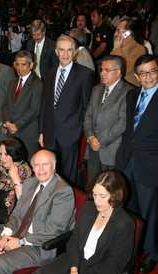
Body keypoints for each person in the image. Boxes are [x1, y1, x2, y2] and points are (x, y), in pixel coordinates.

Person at [0, 149, 75, 274]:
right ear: (32, 167)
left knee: (0, 265)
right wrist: (6, 234)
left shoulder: (63, 191)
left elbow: (55, 230)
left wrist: (20, 241)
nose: (40, 169)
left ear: (54, 166)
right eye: (36, 165)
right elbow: (17, 213)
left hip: (39, 245)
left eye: (45, 164)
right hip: (17, 233)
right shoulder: (30, 183)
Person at [35, 170, 134, 274]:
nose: (97, 201)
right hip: (73, 261)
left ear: (115, 195)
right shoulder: (88, 208)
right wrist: (74, 267)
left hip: (98, 269)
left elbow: (114, 264)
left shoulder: (124, 224)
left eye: (102, 196)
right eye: (95, 195)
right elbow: (74, 239)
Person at [116, 54, 158, 273]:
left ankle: (152, 253)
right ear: (136, 76)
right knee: (130, 207)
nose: (148, 77)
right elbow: (129, 130)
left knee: (151, 211)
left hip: (151, 164)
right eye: (143, 73)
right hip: (128, 160)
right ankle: (132, 247)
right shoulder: (132, 95)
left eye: (153, 71)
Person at [39, 34, 94, 184]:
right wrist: (42, 131)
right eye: (61, 50)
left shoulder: (85, 74)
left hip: (70, 134)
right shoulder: (49, 73)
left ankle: (68, 204)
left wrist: (78, 130)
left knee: (69, 175)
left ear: (75, 52)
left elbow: (87, 107)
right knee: (50, 172)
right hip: (50, 132)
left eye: (69, 50)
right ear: (56, 52)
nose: (65, 54)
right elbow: (45, 104)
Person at [84, 55, 132, 180]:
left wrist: (100, 141)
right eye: (101, 69)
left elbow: (123, 122)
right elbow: (88, 115)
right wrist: (90, 136)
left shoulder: (129, 92)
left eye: (107, 70)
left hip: (111, 150)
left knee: (111, 190)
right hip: (93, 147)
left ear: (119, 73)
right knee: (92, 186)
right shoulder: (97, 89)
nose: (102, 73)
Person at [2, 50, 43, 160]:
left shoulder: (37, 84)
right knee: (12, 163)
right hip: (11, 131)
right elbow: (5, 104)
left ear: (31, 65)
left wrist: (17, 125)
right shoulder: (12, 82)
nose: (19, 68)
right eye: (17, 64)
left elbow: (34, 110)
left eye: (23, 65)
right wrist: (7, 122)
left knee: (27, 165)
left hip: (27, 133)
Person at [111, 17, 146, 86]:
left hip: (128, 89)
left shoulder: (140, 49)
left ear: (127, 33)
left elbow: (122, 70)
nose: (115, 34)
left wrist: (117, 49)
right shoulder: (119, 46)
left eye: (118, 31)